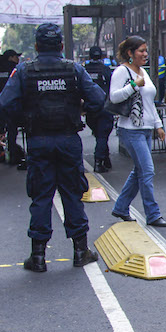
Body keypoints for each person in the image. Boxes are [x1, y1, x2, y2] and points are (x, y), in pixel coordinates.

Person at [0, 23, 105, 272]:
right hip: (68, 139)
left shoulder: (24, 71)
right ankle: (81, 251)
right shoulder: (74, 69)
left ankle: (37, 257)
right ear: (61, 46)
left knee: (41, 195)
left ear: (36, 46)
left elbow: (5, 102)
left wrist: (24, 116)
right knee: (72, 192)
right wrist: (79, 109)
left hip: (38, 139)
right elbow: (99, 99)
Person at [109, 36, 166, 228]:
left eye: (146, 50)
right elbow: (114, 97)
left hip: (145, 129)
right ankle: (153, 214)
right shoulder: (121, 71)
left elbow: (149, 102)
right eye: (141, 51)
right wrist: (133, 86)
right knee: (147, 171)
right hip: (130, 129)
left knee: (140, 171)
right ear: (130, 53)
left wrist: (158, 125)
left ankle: (121, 207)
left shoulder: (143, 71)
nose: (145, 54)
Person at [84, 46, 114, 173]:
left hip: (90, 108)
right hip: (104, 107)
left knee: (99, 135)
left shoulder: (84, 70)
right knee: (103, 135)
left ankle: (105, 158)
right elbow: (112, 86)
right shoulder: (105, 69)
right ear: (101, 56)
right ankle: (99, 161)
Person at [0, 49, 24, 167]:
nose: (18, 59)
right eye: (16, 56)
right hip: (11, 105)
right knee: (12, 130)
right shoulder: (15, 69)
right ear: (10, 57)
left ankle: (2, 152)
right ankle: (13, 153)